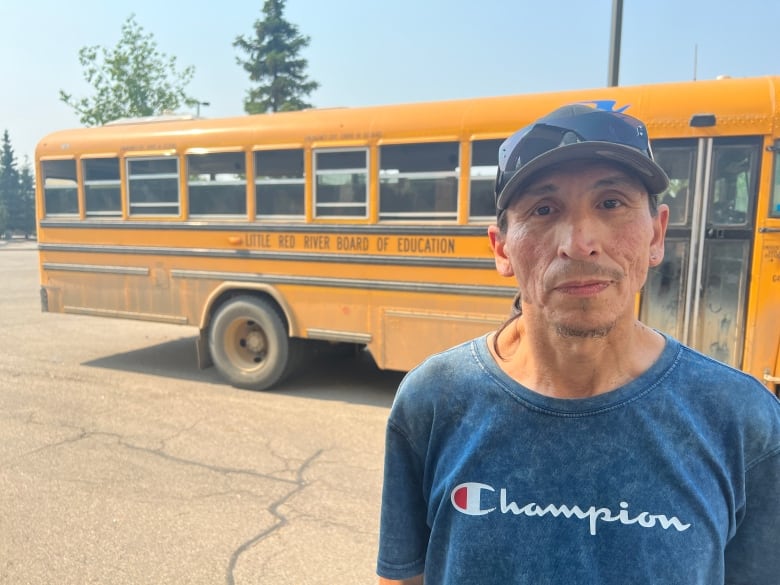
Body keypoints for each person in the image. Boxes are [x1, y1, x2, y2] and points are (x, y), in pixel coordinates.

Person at [376, 105, 780, 585]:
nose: (580, 241)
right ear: (501, 248)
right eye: (543, 210)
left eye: (611, 203)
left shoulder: (740, 420)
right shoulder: (434, 401)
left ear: (657, 233)